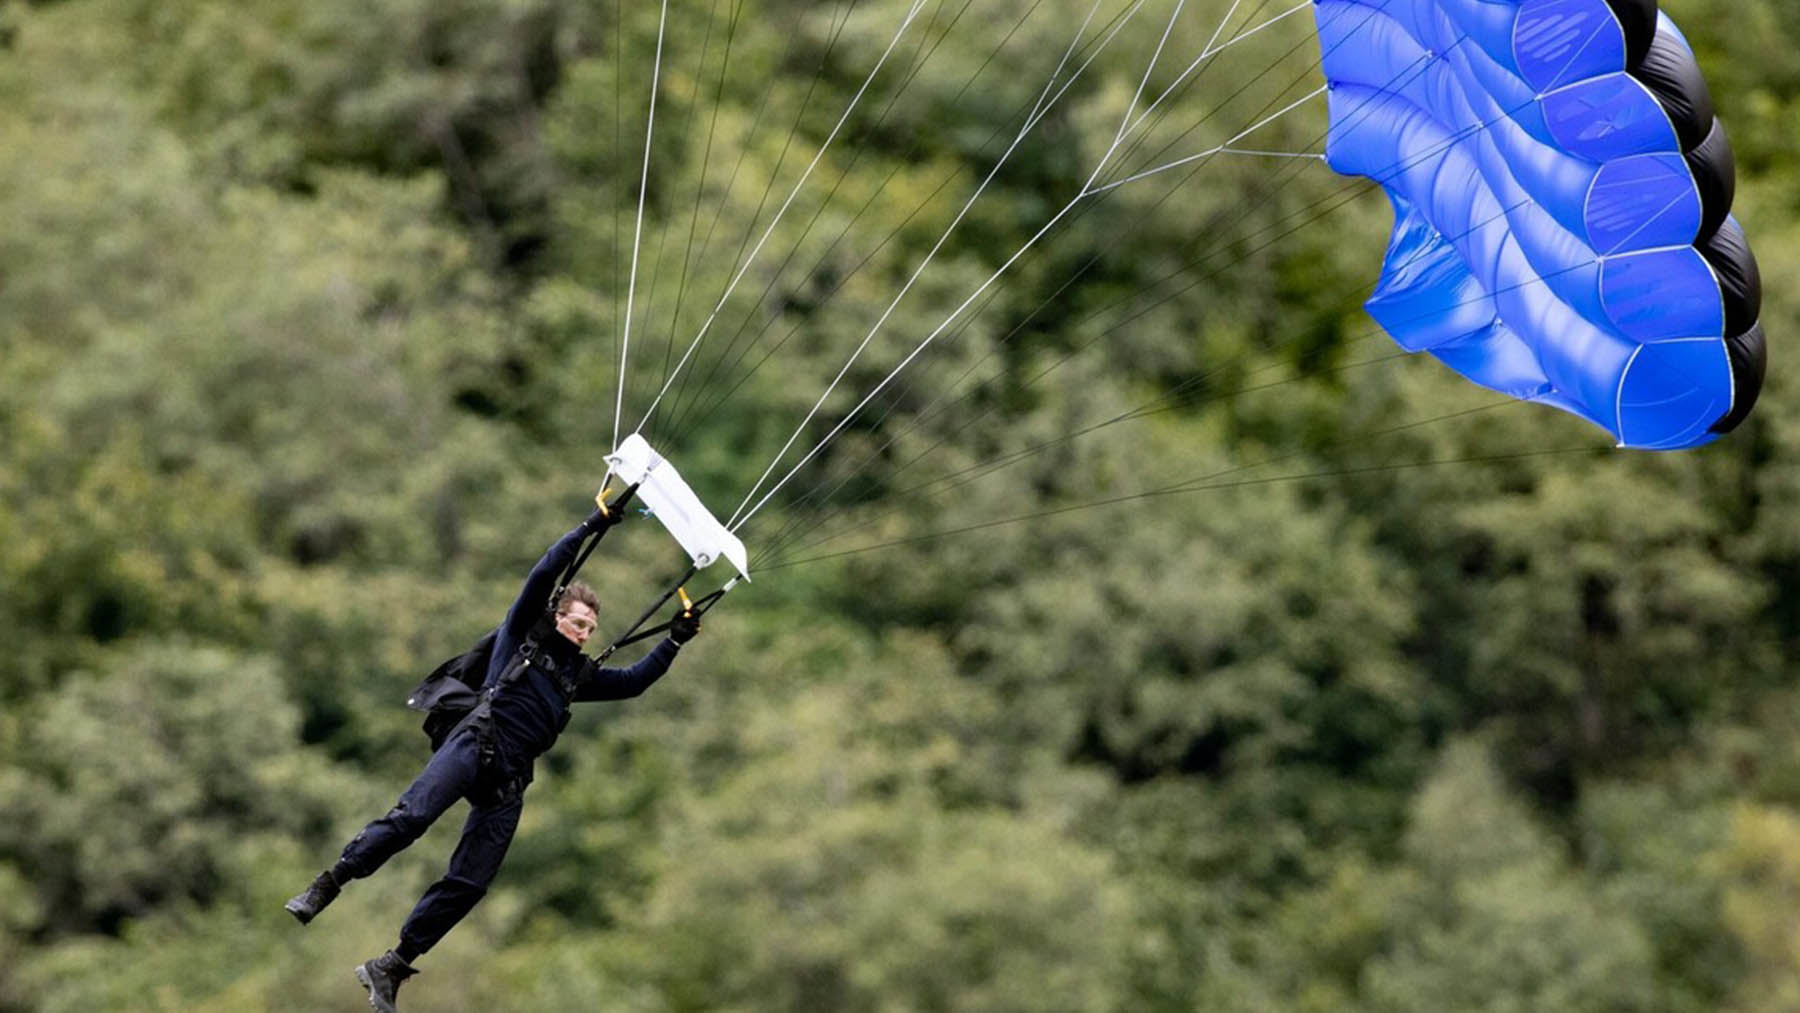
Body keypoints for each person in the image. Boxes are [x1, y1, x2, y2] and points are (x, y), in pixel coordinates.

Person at [282, 501, 700, 1012]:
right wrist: (592, 526)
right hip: (475, 742)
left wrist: (675, 640)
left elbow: (633, 683)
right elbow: (545, 571)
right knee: (411, 819)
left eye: (592, 628)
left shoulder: (578, 677)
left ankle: (391, 966)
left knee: (472, 882)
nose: (585, 633)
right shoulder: (523, 633)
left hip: (508, 781)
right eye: (577, 623)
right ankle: (329, 883)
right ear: (557, 617)